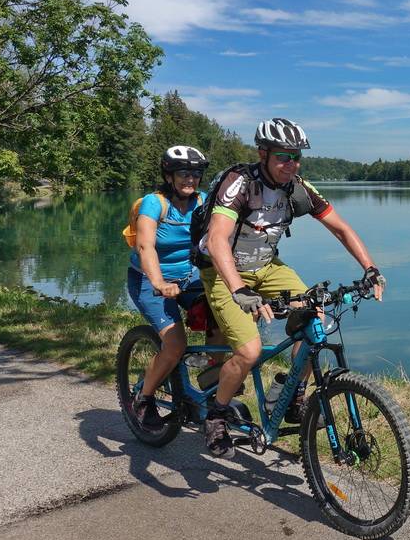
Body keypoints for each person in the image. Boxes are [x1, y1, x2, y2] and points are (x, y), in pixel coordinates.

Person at [197, 117, 384, 458]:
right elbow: (217, 238)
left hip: (267, 268)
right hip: (225, 273)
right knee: (250, 351)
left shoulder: (297, 187)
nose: (290, 164)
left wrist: (370, 268)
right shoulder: (240, 183)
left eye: (295, 156)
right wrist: (238, 288)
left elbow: (341, 227)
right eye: (283, 156)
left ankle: (289, 392)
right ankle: (217, 414)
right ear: (263, 153)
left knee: (316, 319)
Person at [127, 145, 210, 431]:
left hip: (187, 279)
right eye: (184, 173)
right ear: (169, 175)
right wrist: (159, 281)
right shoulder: (155, 203)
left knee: (224, 317)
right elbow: (145, 244)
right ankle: (143, 398)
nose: (190, 179)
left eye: (196, 173)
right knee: (175, 344)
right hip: (148, 281)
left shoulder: (203, 201)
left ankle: (211, 386)